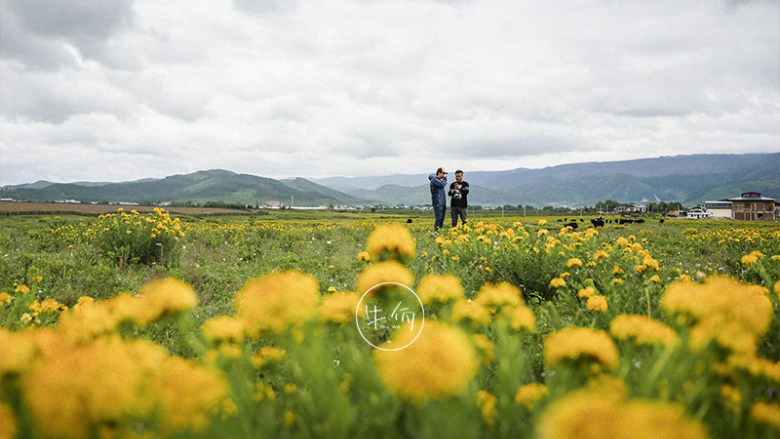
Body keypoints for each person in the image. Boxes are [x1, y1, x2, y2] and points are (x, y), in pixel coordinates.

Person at [428, 167, 447, 231]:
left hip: (442, 202)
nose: (444, 175)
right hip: (438, 202)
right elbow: (442, 185)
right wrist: (445, 179)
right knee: (439, 218)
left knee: (442, 218)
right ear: (439, 173)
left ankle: (439, 231)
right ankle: (436, 232)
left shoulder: (438, 180)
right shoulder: (435, 180)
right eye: (443, 174)